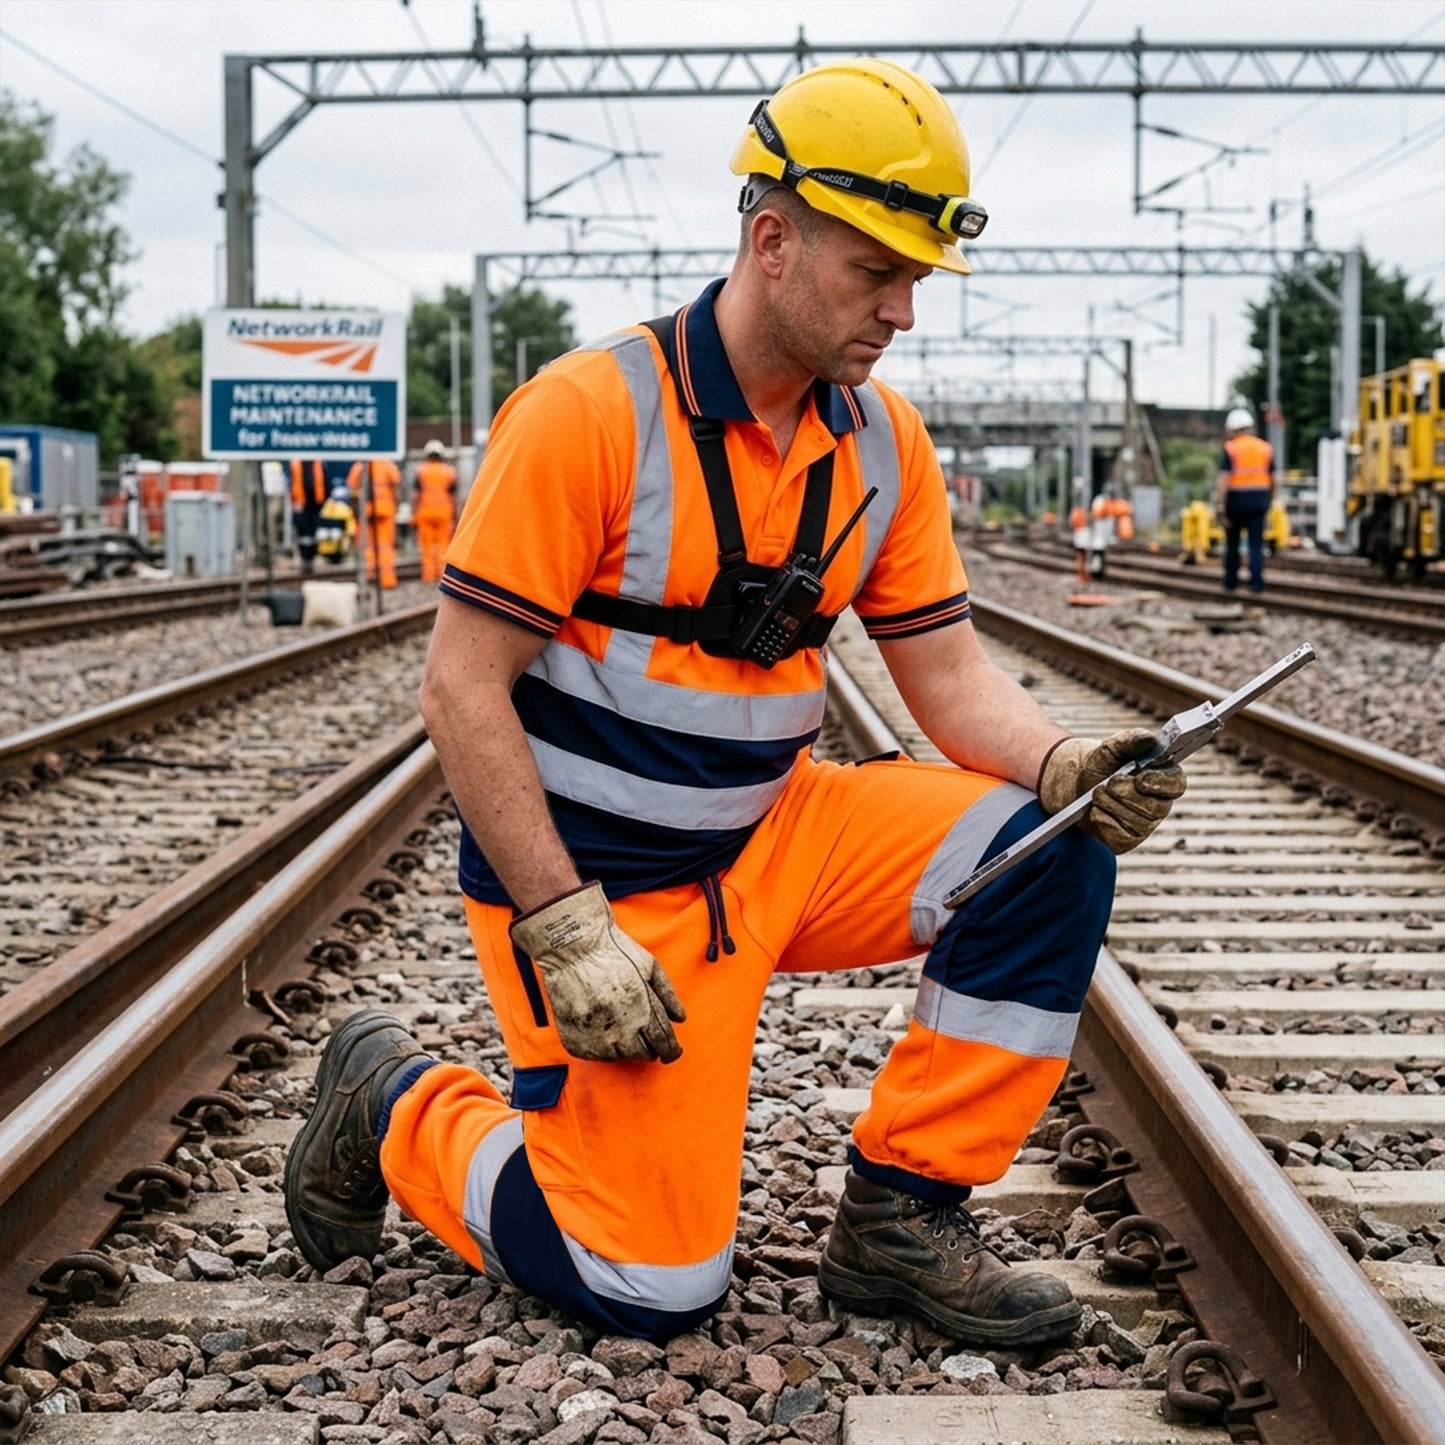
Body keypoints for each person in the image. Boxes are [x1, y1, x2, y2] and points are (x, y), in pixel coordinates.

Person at [285, 58, 1187, 1349]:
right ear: (771, 238)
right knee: (646, 1289)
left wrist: (1063, 762)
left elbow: (944, 676)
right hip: (608, 900)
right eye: (875, 270)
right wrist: (562, 925)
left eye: (916, 276)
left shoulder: (881, 443)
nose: (904, 310)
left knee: (1047, 853)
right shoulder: (590, 413)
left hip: (781, 836)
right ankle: (399, 1103)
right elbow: (459, 686)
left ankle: (901, 1220)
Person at [1215, 407, 1275, 594]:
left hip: (1236, 501)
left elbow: (1224, 479)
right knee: (1256, 545)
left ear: (1232, 429)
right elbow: (1275, 479)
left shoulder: (1231, 448)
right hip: (1259, 501)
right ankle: (1256, 585)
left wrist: (1220, 505)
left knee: (1232, 544)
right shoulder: (1265, 448)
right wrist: (1270, 501)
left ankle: (1230, 583)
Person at [347, 456, 401, 589]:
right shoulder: (388, 465)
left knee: (367, 546)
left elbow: (352, 492)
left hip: (365, 512)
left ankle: (370, 577)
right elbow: (396, 488)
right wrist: (396, 505)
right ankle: (387, 580)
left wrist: (355, 512)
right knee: (385, 546)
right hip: (385, 510)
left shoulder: (358, 467)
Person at [412, 439, 458, 583]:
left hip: (424, 513)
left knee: (427, 546)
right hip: (444, 513)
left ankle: (428, 575)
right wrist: (456, 517)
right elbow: (454, 497)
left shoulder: (421, 471)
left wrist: (413, 514)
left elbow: (415, 496)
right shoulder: (450, 472)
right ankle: (442, 576)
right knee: (443, 545)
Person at [289, 458, 328, 576]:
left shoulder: (319, 463)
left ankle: (311, 558)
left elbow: (326, 482)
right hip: (300, 504)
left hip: (316, 504)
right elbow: (290, 483)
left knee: (313, 533)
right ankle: (305, 558)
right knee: (303, 534)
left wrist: (324, 502)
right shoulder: (295, 464)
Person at [313, 481, 357, 566]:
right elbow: (351, 529)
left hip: (323, 546)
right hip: (339, 547)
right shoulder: (346, 509)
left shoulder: (325, 508)